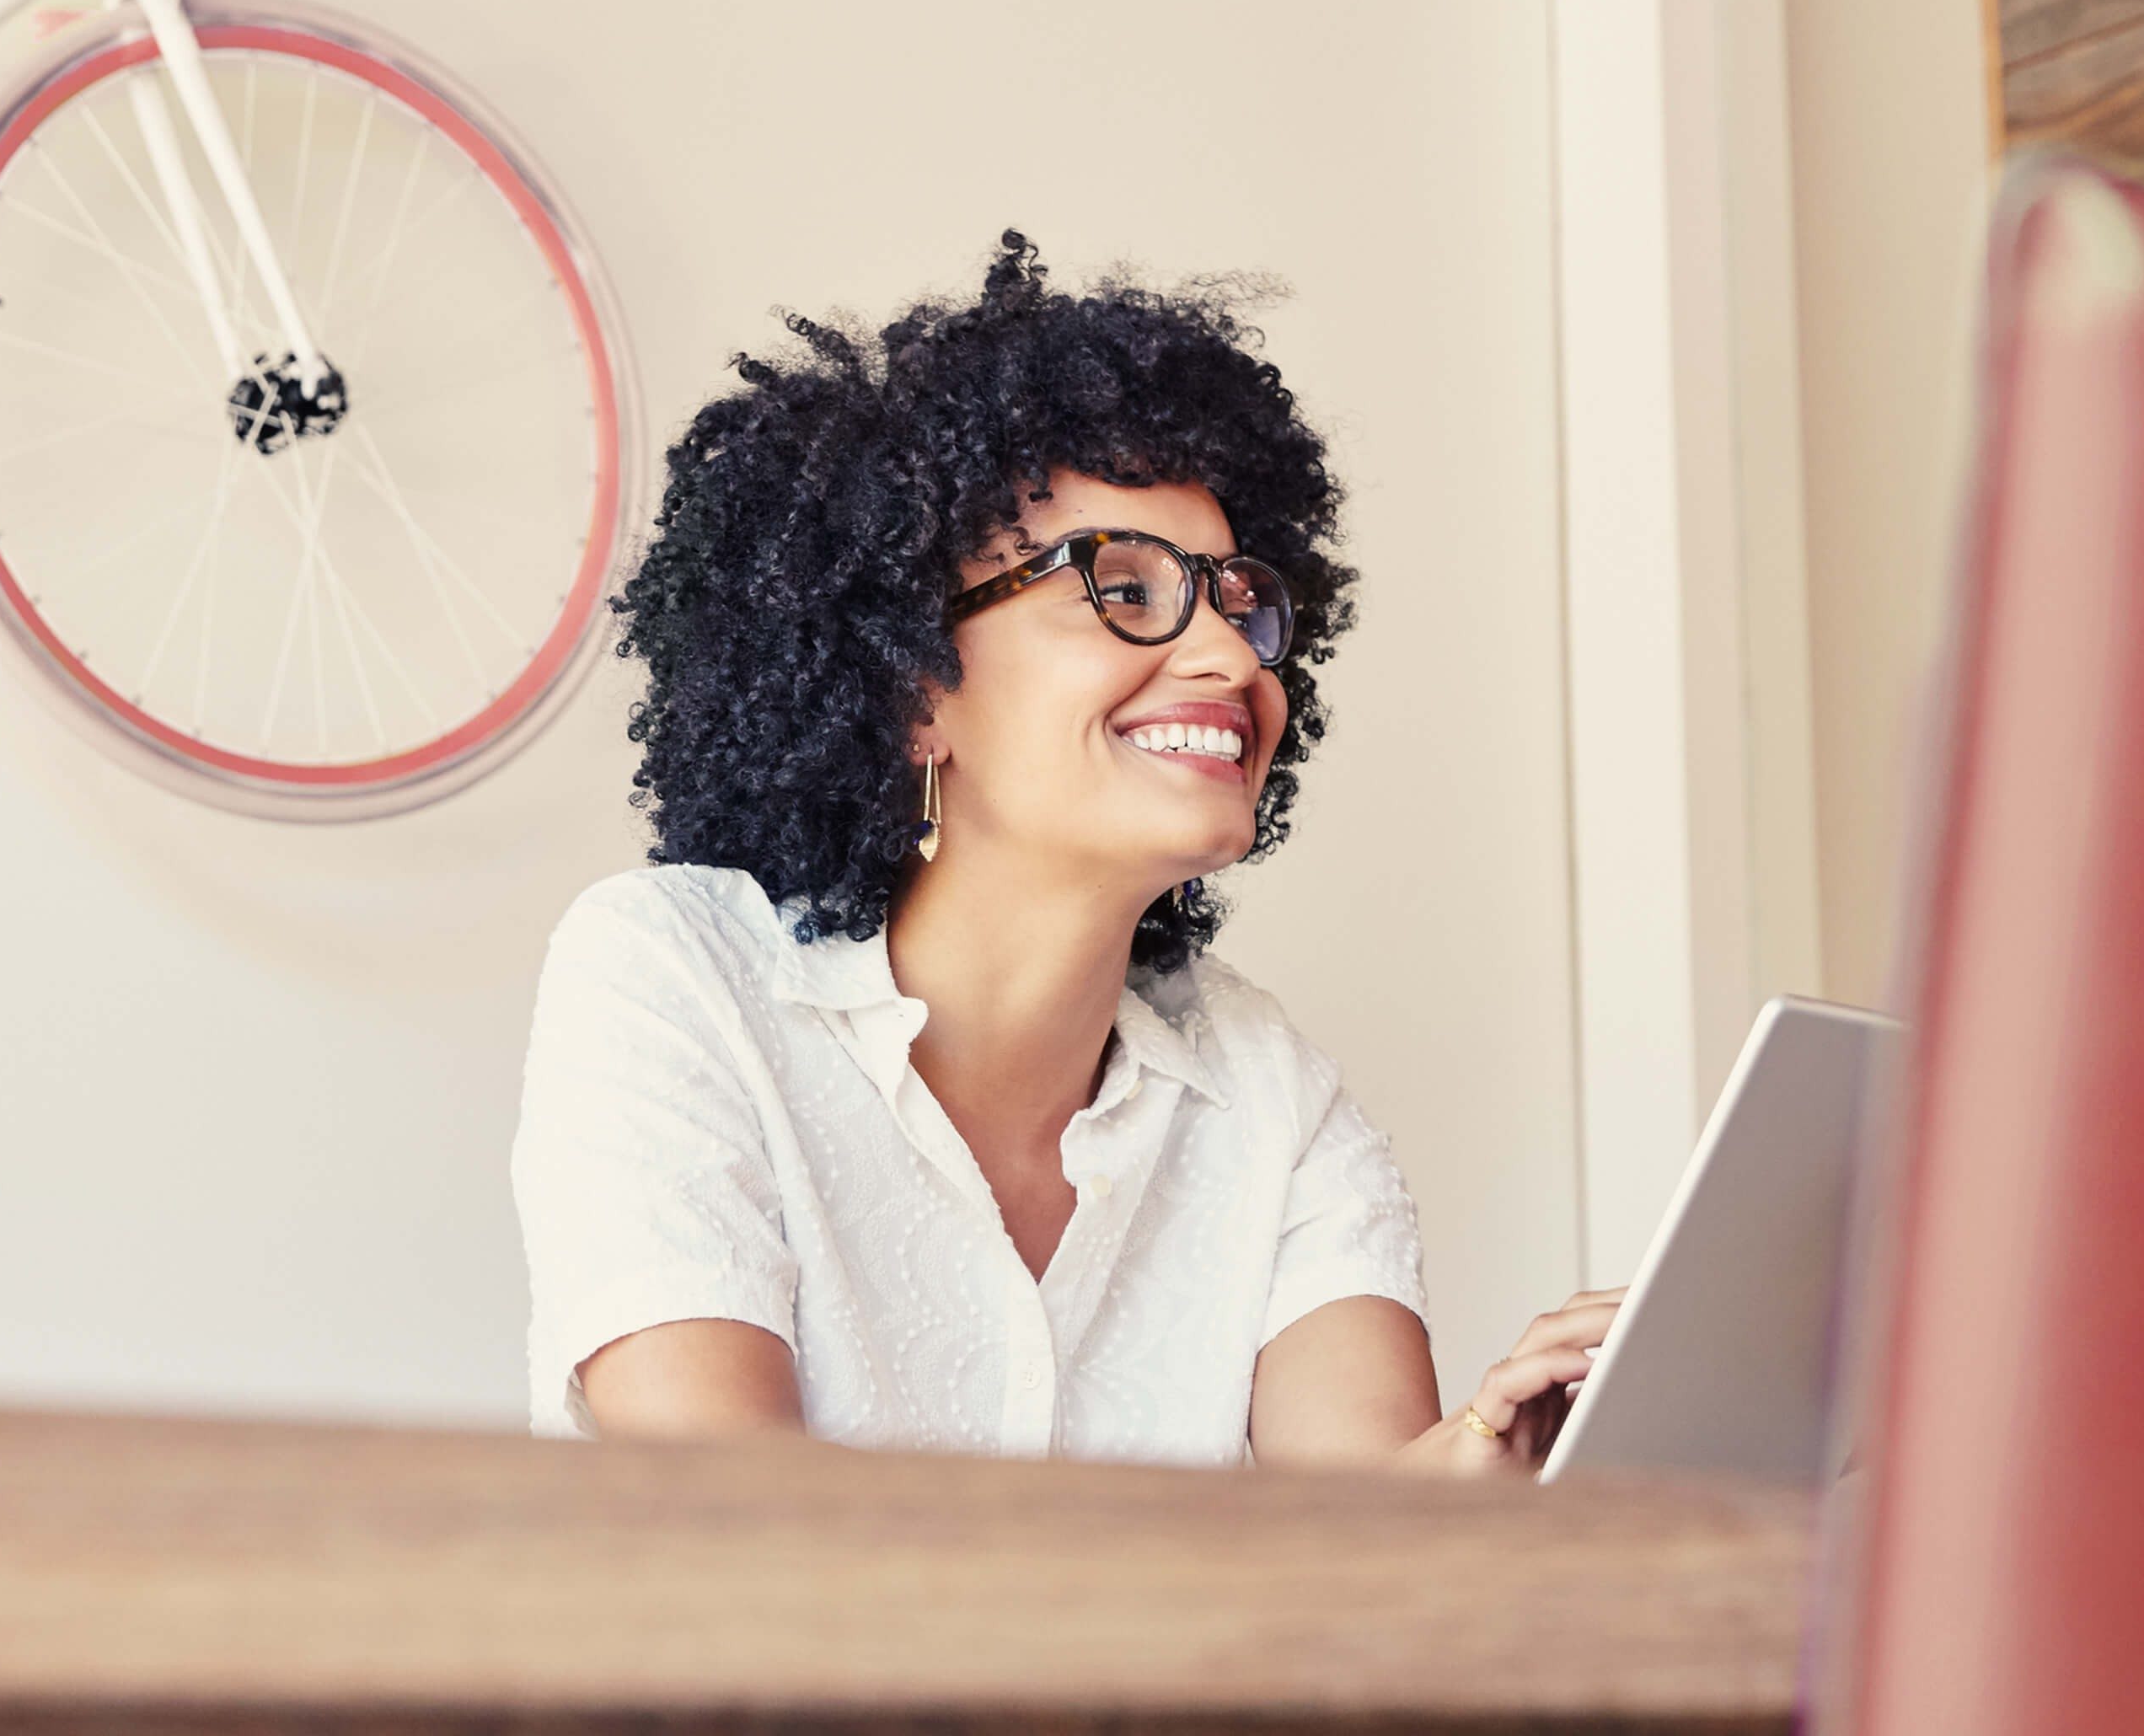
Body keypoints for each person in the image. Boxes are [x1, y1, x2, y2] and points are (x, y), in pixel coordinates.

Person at [512, 234, 1614, 1473]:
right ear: (914, 681)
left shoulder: (1263, 1096)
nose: (1236, 660)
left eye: (1241, 602)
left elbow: (1363, 1544)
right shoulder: (676, 979)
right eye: (1126, 589)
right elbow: (740, 1517)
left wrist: (1492, 1455)